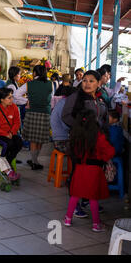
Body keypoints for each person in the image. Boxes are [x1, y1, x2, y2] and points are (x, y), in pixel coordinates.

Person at [61, 70, 109, 217]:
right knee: (78, 173)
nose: (87, 84)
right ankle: (74, 205)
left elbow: (104, 117)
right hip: (81, 142)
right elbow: (66, 116)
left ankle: (86, 199)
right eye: (85, 80)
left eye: (91, 81)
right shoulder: (76, 97)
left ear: (98, 83)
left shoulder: (100, 98)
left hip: (97, 142)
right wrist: (81, 127)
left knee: (93, 172)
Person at [63, 109, 115, 232]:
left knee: (75, 195)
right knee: (93, 197)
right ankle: (96, 224)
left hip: (80, 168)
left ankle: (68, 219)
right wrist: (102, 158)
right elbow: (110, 151)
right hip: (94, 169)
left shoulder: (75, 135)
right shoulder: (98, 135)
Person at [14, 65, 53, 170]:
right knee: (40, 139)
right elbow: (51, 99)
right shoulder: (51, 84)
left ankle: (34, 161)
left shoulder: (29, 84)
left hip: (32, 113)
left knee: (32, 139)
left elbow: (16, 95)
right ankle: (35, 160)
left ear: (35, 73)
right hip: (45, 113)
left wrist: (26, 101)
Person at [0, 87, 23, 166]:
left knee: (19, 142)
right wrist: (5, 134)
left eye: (12, 97)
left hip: (10, 133)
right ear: (2, 99)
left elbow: (17, 122)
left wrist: (11, 132)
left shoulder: (14, 107)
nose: (12, 99)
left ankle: (7, 162)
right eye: (9, 98)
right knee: (8, 144)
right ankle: (6, 164)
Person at [50, 86, 76, 154]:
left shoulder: (63, 102)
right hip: (61, 142)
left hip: (60, 139)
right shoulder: (65, 104)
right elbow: (66, 125)